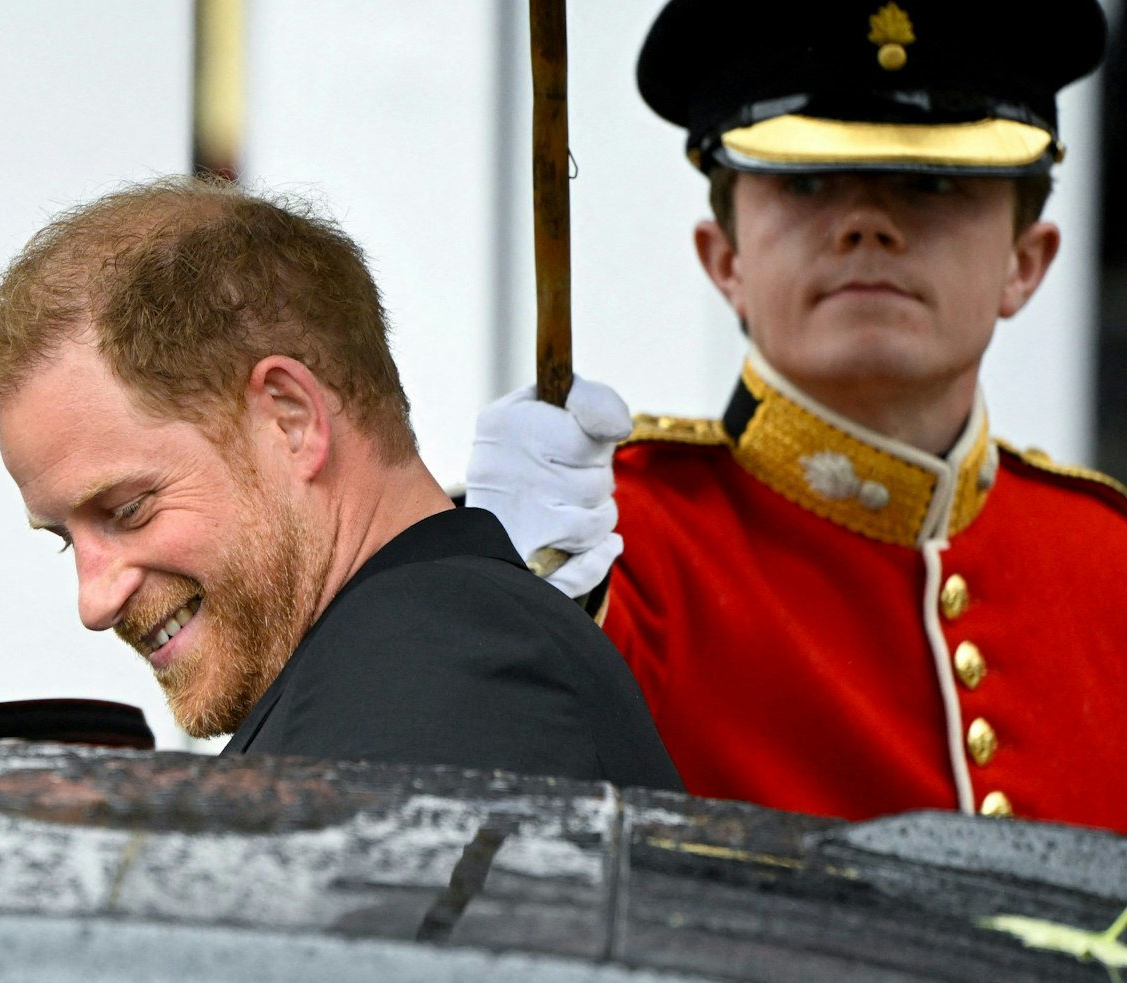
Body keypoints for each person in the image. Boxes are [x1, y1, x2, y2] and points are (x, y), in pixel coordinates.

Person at [465, 0, 1127, 831]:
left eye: (931, 184)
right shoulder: (611, 551)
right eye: (807, 182)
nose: (867, 224)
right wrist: (490, 587)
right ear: (725, 260)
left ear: (1027, 263)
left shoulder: (1109, 561)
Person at [0, 177, 679, 788]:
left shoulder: (439, 674)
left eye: (129, 508)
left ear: (290, 419)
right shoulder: (400, 667)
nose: (94, 602)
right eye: (64, 539)